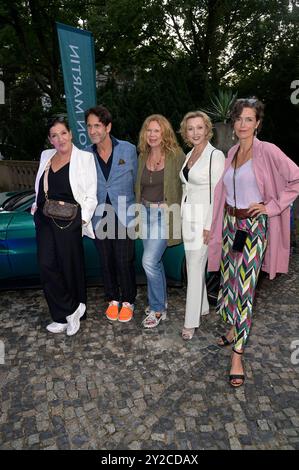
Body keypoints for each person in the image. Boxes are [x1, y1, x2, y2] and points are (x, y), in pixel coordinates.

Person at [208, 97, 299, 387]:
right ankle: (235, 330)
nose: (243, 124)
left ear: (258, 123)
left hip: (253, 227)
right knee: (231, 285)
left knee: (245, 289)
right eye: (238, 119)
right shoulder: (232, 151)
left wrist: (271, 207)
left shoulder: (268, 151)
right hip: (231, 225)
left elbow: (295, 179)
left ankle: (237, 355)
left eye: (249, 119)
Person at [32, 116, 97, 335]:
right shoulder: (46, 156)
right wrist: (35, 209)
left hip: (69, 220)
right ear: (50, 140)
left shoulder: (85, 158)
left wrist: (82, 221)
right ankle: (66, 311)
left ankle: (71, 312)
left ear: (70, 134)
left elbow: (91, 195)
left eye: (62, 133)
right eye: (54, 135)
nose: (59, 139)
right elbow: (39, 188)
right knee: (46, 265)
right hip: (44, 219)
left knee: (69, 267)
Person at [85, 106, 138, 322]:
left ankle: (128, 300)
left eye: (97, 125)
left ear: (108, 126)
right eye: (89, 126)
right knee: (105, 260)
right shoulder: (85, 155)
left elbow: (137, 181)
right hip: (99, 215)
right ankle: (112, 299)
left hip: (124, 213)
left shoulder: (128, 149)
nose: (93, 130)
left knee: (124, 260)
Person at [135, 114, 185, 328]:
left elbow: (187, 185)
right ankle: (161, 301)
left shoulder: (176, 155)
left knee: (148, 261)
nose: (152, 135)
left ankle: (157, 309)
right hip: (144, 213)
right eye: (149, 130)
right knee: (154, 262)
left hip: (164, 215)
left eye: (157, 130)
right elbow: (139, 187)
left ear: (164, 133)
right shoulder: (142, 155)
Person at [179, 111, 225, 340]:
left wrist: (210, 225)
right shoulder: (190, 154)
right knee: (192, 266)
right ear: (185, 132)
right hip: (188, 217)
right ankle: (204, 307)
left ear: (207, 129)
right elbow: (188, 188)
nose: (195, 132)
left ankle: (190, 322)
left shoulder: (215, 156)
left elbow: (218, 194)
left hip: (204, 220)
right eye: (190, 128)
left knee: (195, 269)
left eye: (199, 127)